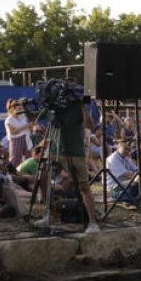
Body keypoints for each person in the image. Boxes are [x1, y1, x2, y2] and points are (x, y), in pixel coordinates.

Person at [40, 91, 100, 232]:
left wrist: (81, 106)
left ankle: (92, 222)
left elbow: (90, 125)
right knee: (43, 178)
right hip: (55, 150)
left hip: (74, 152)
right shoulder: (54, 107)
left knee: (83, 187)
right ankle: (49, 214)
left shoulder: (77, 108)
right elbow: (35, 118)